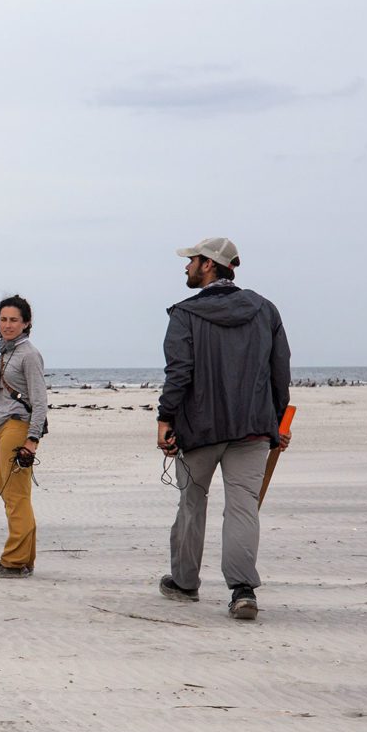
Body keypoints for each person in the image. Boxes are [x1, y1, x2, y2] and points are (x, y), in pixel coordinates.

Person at [157, 237, 291, 620]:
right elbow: (280, 371)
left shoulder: (185, 313)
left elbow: (178, 373)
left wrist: (165, 419)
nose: (186, 267)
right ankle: (241, 589)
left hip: (200, 427)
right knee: (242, 508)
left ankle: (184, 583)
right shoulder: (266, 310)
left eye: (191, 261)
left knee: (191, 503)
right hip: (251, 428)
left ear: (210, 265)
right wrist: (276, 422)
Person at [0, 295, 46, 579]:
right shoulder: (6, 352)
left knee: (14, 497)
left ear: (26, 323)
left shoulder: (28, 354)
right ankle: (25, 558)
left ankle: (14, 561)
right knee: (14, 494)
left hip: (17, 427)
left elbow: (41, 401)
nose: (7, 325)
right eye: (3, 319)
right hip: (1, 428)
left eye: (13, 320)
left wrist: (32, 440)